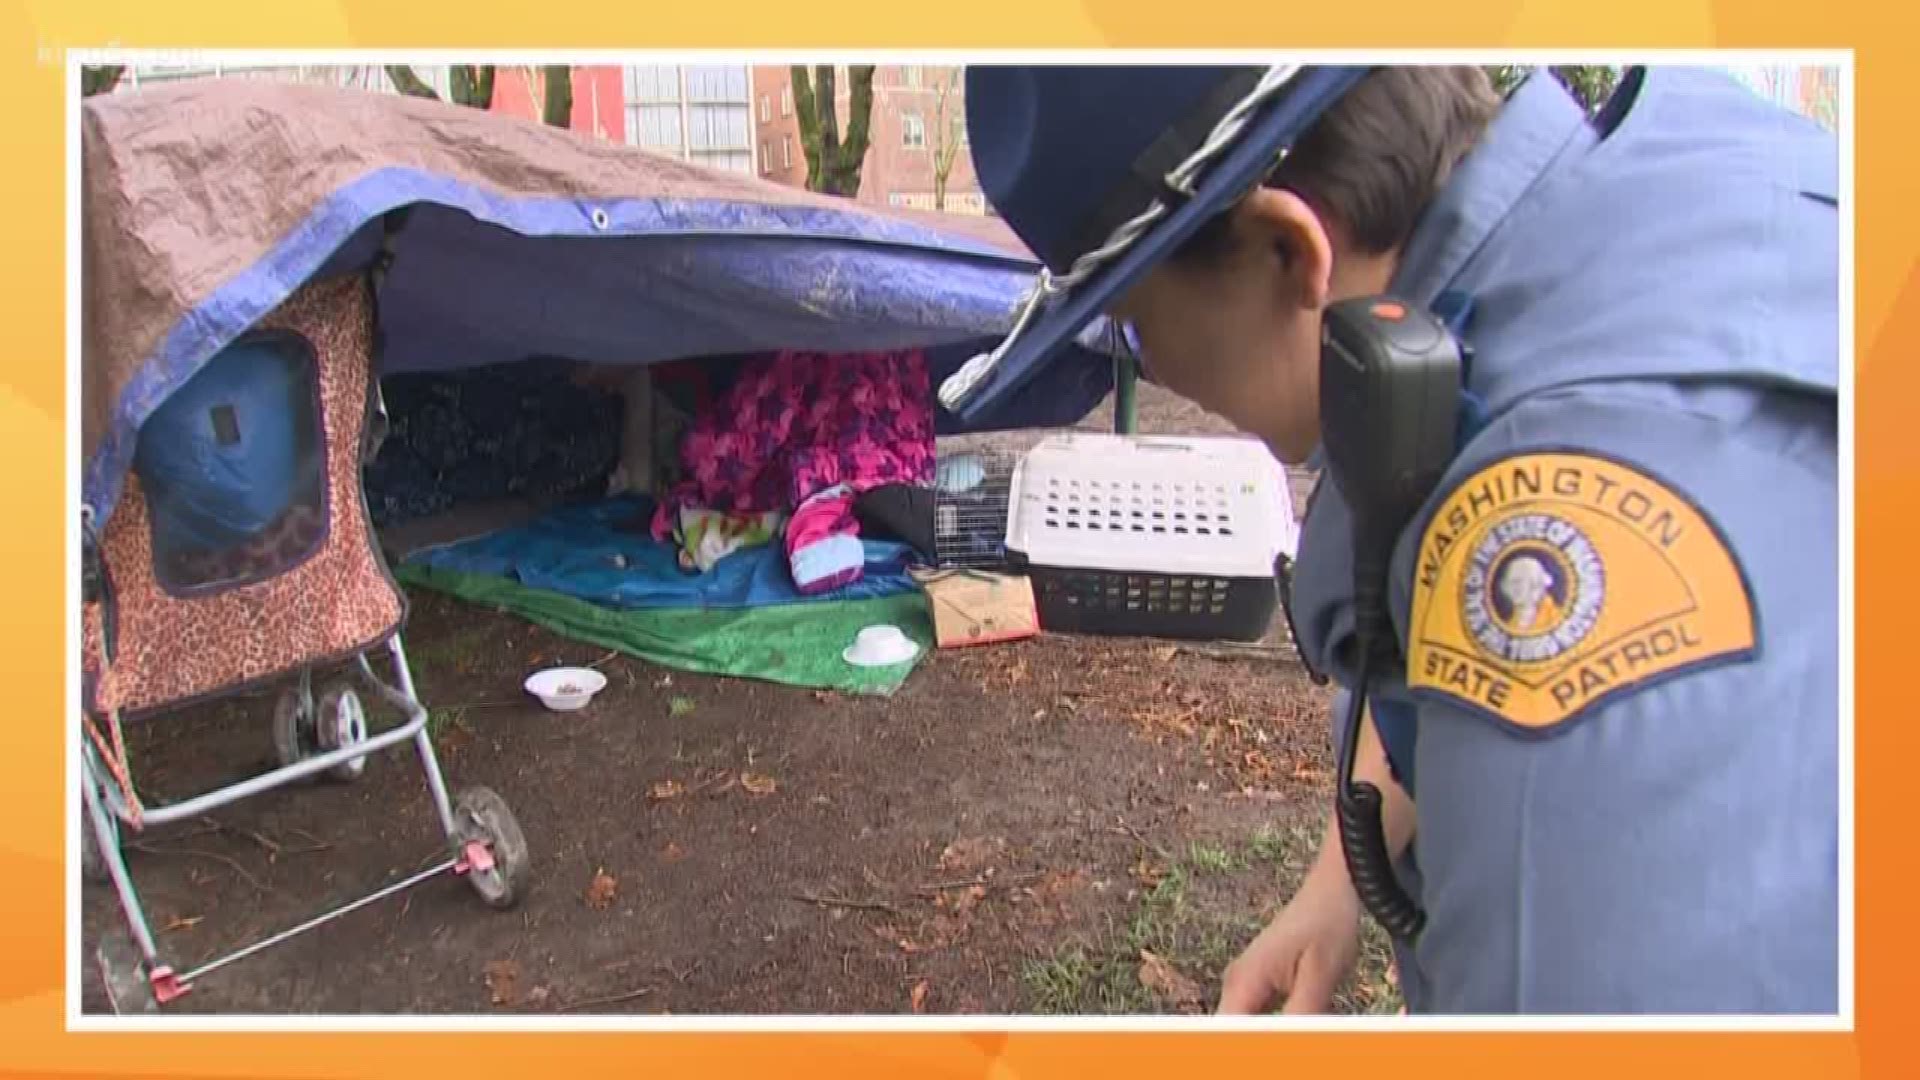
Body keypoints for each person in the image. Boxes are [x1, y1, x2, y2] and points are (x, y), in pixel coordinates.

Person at [944, 64, 1839, 1014]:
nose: (1150, 360)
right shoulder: (1676, 187)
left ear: (1291, 252)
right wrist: (1340, 880)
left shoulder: (1561, 567)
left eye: (1133, 318)